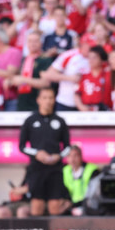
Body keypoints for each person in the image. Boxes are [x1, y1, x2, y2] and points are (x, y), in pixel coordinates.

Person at [18, 87, 71, 216]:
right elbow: (22, 146)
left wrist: (59, 156)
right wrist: (37, 153)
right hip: (37, 169)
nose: (48, 101)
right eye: (45, 98)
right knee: (37, 206)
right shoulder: (30, 120)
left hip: (55, 170)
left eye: (51, 98)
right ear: (38, 100)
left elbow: (68, 146)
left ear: (54, 100)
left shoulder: (60, 121)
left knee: (55, 206)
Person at [63, 145, 99, 211]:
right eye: (69, 156)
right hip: (70, 207)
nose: (72, 159)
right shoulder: (64, 171)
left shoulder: (92, 170)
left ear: (81, 156)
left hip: (88, 205)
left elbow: (94, 194)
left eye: (75, 156)